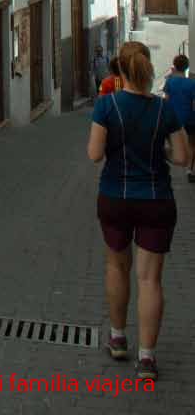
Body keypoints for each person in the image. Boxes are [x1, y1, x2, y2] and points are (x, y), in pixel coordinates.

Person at [88, 41, 189, 382]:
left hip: (115, 196)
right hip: (156, 200)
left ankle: (118, 338)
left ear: (121, 69)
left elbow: (94, 154)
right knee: (150, 279)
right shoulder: (164, 109)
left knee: (117, 267)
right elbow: (182, 157)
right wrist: (159, 149)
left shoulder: (107, 105)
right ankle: (147, 357)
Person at [162, 55, 195, 183]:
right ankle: (189, 170)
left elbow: (166, 100)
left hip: (173, 118)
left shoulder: (170, 82)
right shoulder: (192, 83)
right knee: (192, 144)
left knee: (170, 143)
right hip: (190, 118)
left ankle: (170, 163)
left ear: (175, 66)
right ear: (187, 67)